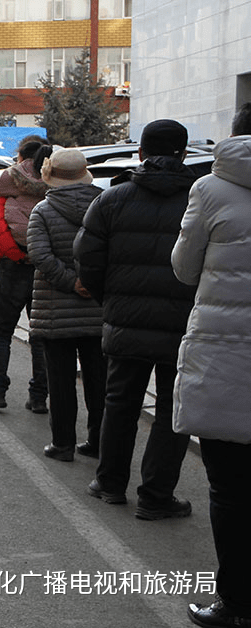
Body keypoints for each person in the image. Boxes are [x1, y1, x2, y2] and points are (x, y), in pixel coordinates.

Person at [74, 118, 198, 519]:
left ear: (140, 152)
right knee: (171, 410)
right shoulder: (198, 199)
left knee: (120, 401)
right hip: (183, 323)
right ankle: (155, 495)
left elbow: (86, 258)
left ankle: (109, 483)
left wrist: (107, 299)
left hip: (124, 318)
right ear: (183, 152)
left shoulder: (113, 199)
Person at [172, 107, 251, 628]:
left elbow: (183, 267)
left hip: (227, 357)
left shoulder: (211, 187)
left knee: (230, 490)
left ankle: (238, 604)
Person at [25, 148, 105, 462]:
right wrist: (90, 281)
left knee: (60, 380)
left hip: (55, 309)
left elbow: (40, 256)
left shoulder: (43, 210)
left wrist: (71, 282)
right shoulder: (105, 205)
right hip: (98, 308)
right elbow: (113, 250)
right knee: (99, 380)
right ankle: (98, 441)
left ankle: (63, 444)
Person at [0, 144, 52, 413]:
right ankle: (39, 396)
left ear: (24, 158)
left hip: (14, 261)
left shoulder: (15, 176)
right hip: (47, 265)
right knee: (41, 334)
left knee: (1, 331)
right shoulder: (59, 179)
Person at [0, 135, 48, 309]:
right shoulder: (52, 173)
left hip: (20, 239)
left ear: (21, 157)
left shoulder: (16, 174)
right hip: (46, 238)